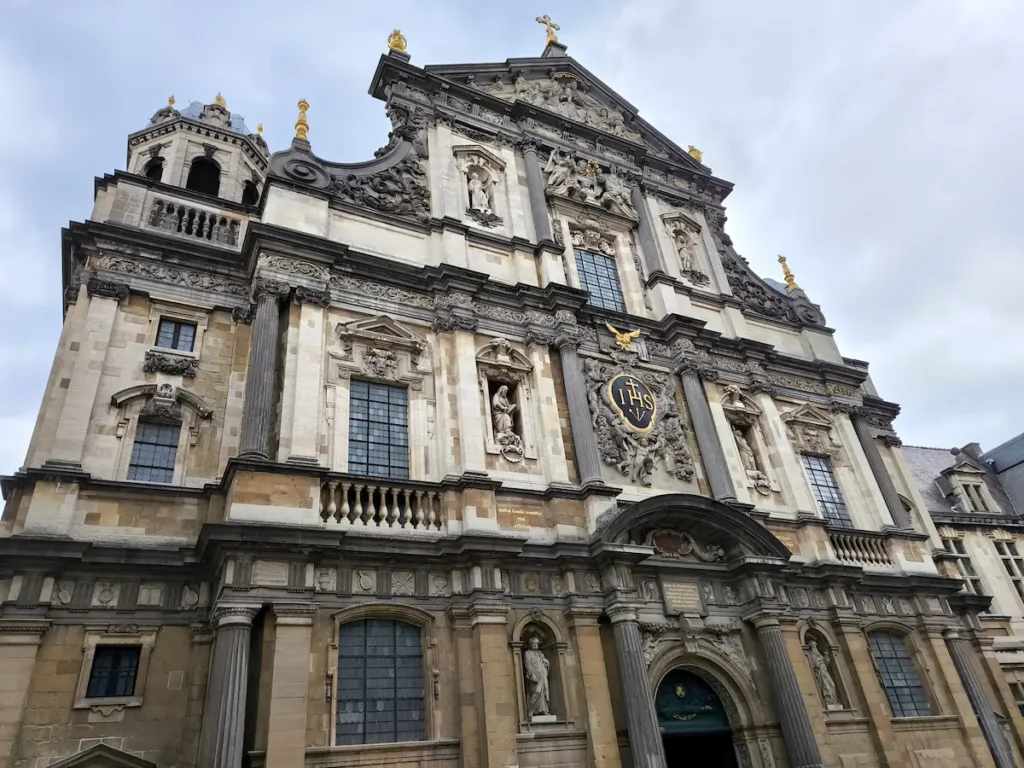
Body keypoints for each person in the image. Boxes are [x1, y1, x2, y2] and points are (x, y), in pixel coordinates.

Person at [523, 636, 551, 716]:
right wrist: (532, 675)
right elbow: (528, 664)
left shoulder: (540, 653)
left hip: (542, 674)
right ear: (530, 644)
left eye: (536, 643)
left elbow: (546, 663)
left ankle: (543, 710)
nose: (535, 645)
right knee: (536, 691)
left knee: (544, 691)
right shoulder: (527, 653)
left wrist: (546, 662)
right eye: (533, 643)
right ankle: (531, 710)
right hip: (535, 674)